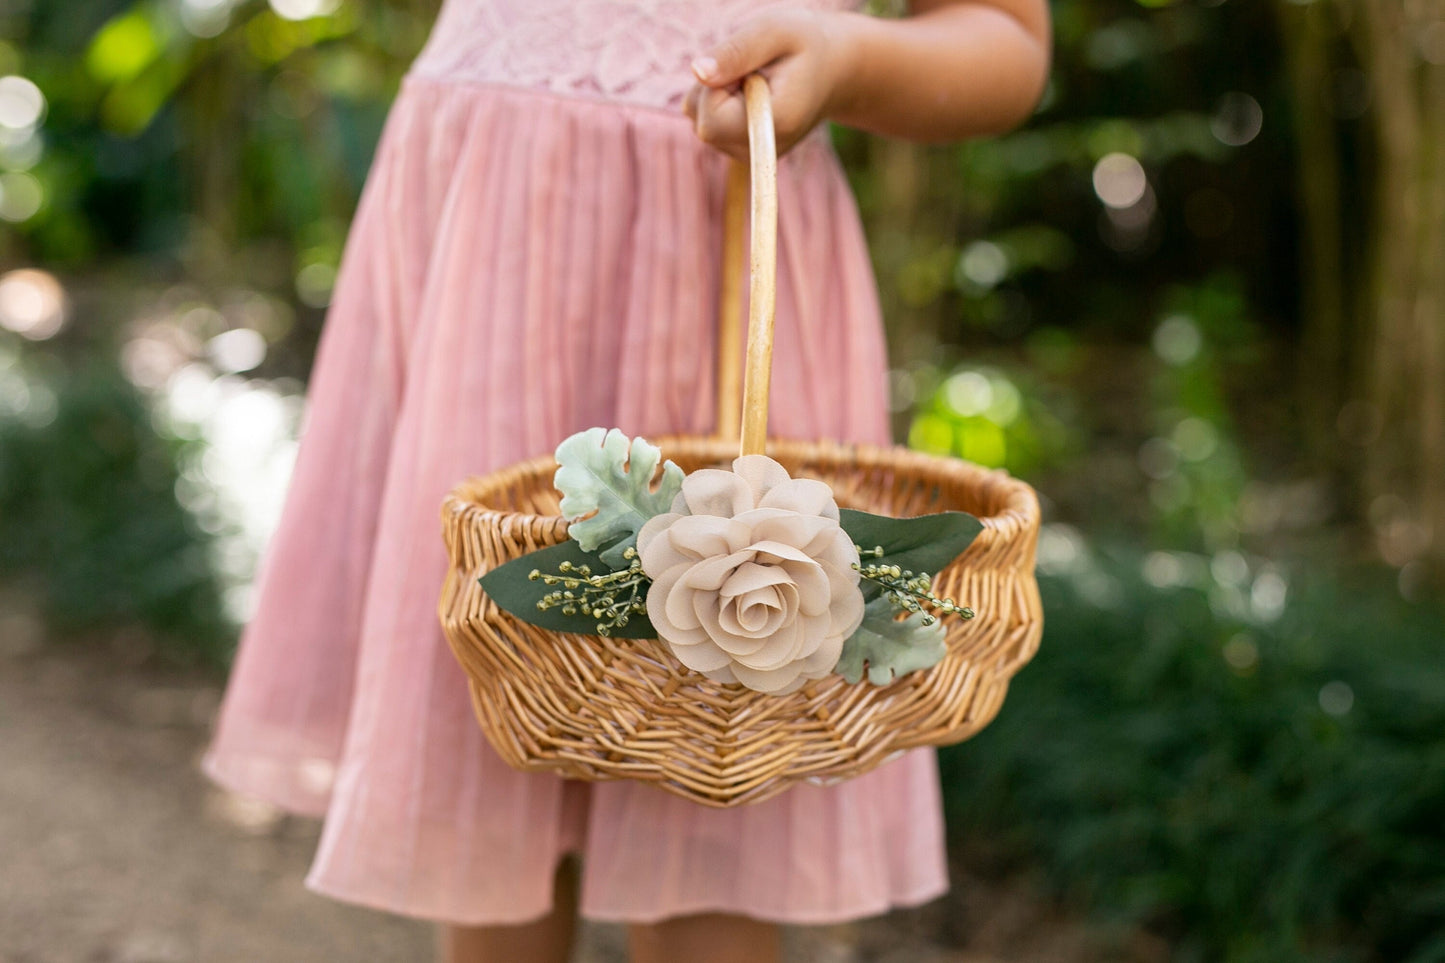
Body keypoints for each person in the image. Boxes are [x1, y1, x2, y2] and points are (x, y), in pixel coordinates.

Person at [202, 0, 1050, 960]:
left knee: (719, 738)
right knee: (502, 688)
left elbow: (1006, 43)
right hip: (489, 221)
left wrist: (846, 56)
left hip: (722, 233)